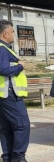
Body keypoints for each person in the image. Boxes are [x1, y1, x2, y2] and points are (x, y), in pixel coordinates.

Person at [0, 20, 30, 162]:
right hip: (10, 94)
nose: (14, 34)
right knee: (22, 125)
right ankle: (18, 157)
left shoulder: (5, 48)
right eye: (12, 32)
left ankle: (8, 158)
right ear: (5, 34)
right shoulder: (2, 49)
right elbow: (3, 69)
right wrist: (20, 66)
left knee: (6, 127)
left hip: (4, 95)